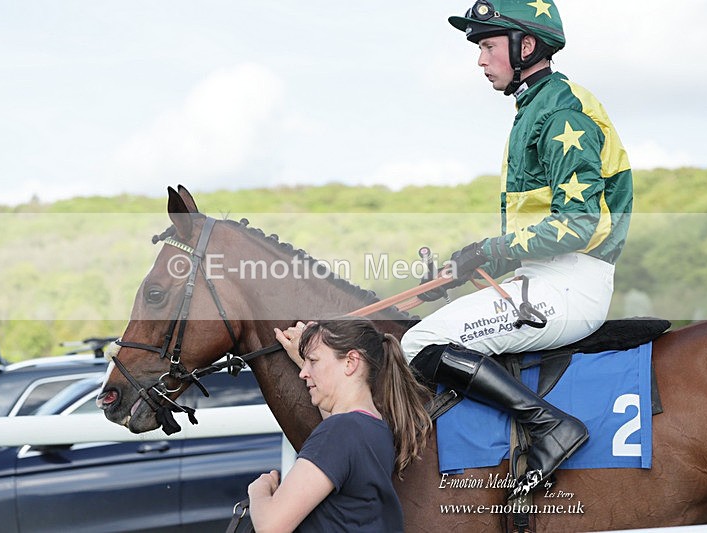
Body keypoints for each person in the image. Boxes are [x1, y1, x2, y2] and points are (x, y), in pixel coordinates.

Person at [401, 0, 633, 498]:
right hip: (545, 279)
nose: (480, 60)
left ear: (525, 45)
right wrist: (466, 262)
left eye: (487, 46)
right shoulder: (537, 106)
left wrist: (486, 251)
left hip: (571, 283)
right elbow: (529, 237)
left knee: (417, 345)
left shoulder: (560, 109)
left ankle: (551, 426)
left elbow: (577, 224)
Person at [247, 318, 431, 533]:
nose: (303, 373)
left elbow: (271, 527)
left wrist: (258, 490)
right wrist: (306, 358)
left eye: (313, 361)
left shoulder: (340, 432)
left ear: (351, 362)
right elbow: (338, 424)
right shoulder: (374, 426)